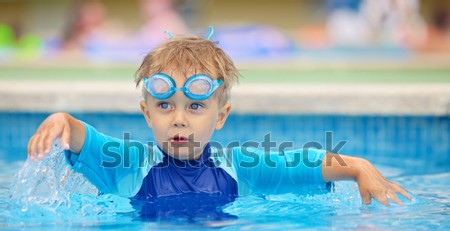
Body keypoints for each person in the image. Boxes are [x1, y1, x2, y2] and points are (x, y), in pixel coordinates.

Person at [27, 32, 411, 208]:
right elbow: (86, 139)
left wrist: (358, 166)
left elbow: (303, 163)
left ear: (221, 115)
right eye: (164, 106)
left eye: (194, 107)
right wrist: (62, 120)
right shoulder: (128, 162)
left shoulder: (239, 165)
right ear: (146, 112)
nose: (178, 120)